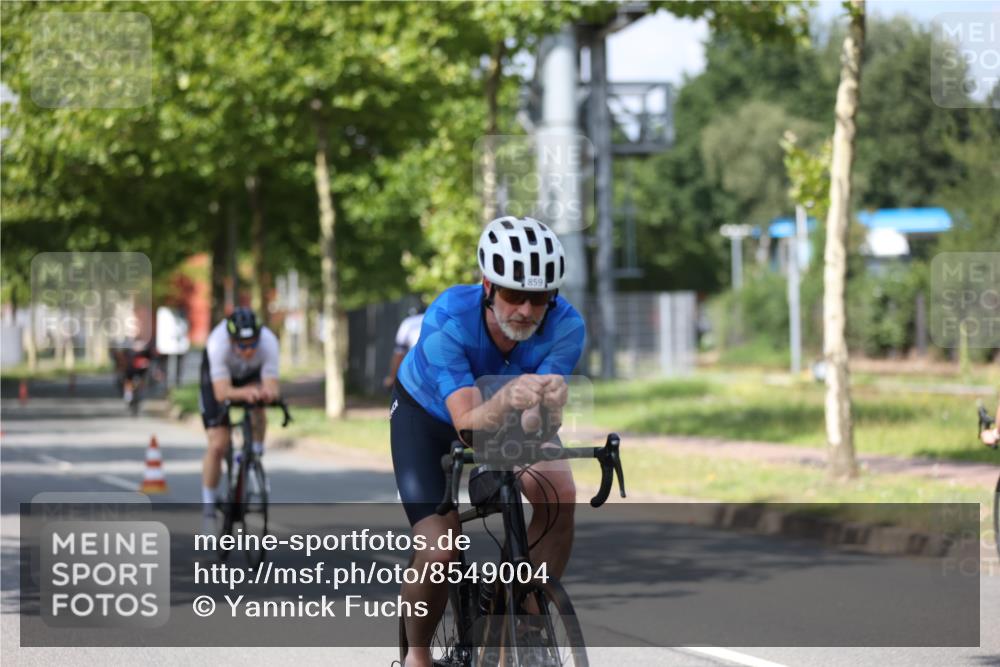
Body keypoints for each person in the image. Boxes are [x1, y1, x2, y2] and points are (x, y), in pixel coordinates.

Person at [391, 216, 584, 667]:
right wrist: (511, 399)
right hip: (429, 418)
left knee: (559, 492)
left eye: (540, 298)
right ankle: (416, 655)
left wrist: (549, 410)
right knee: (440, 549)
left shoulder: (567, 326)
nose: (526, 310)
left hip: (505, 414)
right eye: (514, 295)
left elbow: (535, 423)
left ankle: (523, 621)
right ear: (487, 286)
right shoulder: (449, 318)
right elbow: (468, 427)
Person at [198, 307, 281, 515]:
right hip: (219, 380)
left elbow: (272, 387)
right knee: (218, 444)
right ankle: (209, 505)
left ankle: (254, 457)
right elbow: (221, 393)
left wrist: (266, 394)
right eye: (242, 345)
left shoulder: (269, 342)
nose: (248, 350)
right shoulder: (217, 343)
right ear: (231, 340)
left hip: (249, 375)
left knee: (258, 405)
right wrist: (246, 393)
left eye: (253, 343)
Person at [383, 306, 425, 390]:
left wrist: (392, 377)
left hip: (418, 364)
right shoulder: (434, 319)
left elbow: (399, 353)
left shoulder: (408, 322)